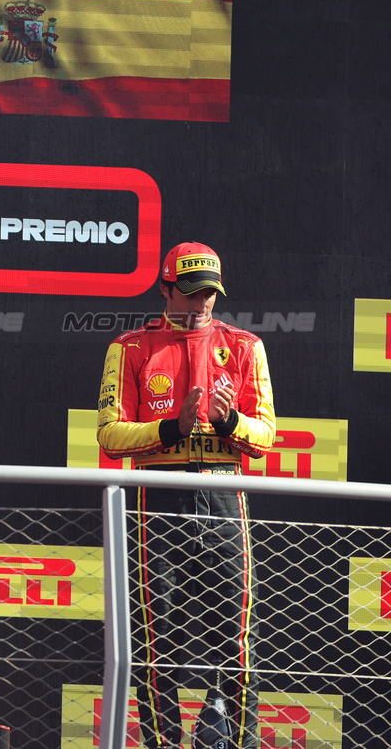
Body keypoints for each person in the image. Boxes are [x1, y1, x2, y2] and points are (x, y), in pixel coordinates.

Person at [97, 242, 275, 749]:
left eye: (210, 295)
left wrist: (229, 421)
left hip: (223, 493)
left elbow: (266, 435)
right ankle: (161, 743)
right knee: (152, 644)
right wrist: (170, 429)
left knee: (239, 639)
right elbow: (109, 435)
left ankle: (237, 740)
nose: (201, 305)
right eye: (192, 294)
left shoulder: (244, 346)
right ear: (166, 289)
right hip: (157, 498)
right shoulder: (130, 347)